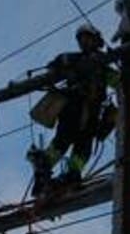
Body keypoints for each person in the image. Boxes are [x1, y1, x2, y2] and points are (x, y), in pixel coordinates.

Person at [27, 23, 117, 196]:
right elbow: (54, 66)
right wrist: (57, 73)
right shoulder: (73, 59)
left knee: (83, 147)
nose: (84, 42)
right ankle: (44, 167)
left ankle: (71, 174)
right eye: (81, 39)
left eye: (87, 38)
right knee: (63, 140)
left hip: (92, 113)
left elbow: (120, 81)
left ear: (95, 40)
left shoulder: (102, 65)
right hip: (73, 108)